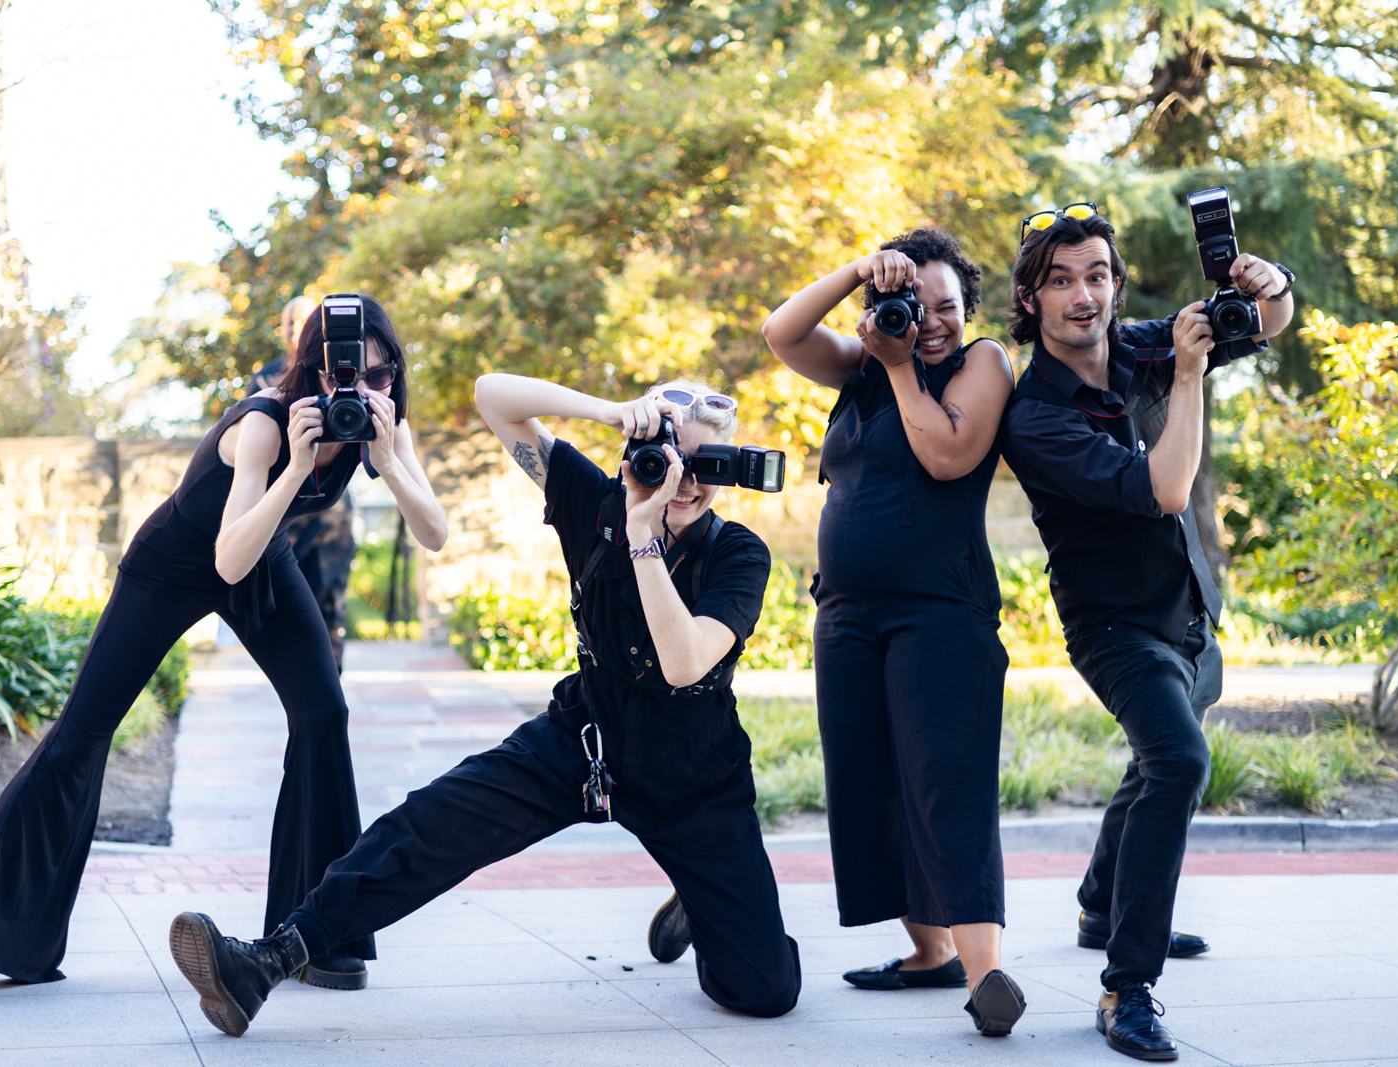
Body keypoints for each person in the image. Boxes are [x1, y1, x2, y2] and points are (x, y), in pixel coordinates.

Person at [164, 374, 802, 1037]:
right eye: (670, 460)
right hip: (584, 744)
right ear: (634, 450)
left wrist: (644, 536)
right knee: (426, 826)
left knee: (762, 989)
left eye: (708, 467)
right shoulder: (594, 500)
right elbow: (493, 394)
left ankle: (701, 901)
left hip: (694, 780)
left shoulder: (737, 554)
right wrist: (612, 412)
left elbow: (683, 662)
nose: (686, 483)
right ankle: (268, 960)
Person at [0, 294, 448, 1010]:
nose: (361, 391)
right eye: (343, 375)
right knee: (81, 735)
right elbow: (225, 557)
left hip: (266, 559)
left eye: (379, 377)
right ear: (311, 373)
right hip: (178, 561)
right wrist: (296, 464)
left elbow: (434, 532)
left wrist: (387, 455)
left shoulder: (385, 419)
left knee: (324, 713)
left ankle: (320, 931)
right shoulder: (263, 424)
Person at [1000, 204, 1294, 1060]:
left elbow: (1261, 324)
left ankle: (1100, 902)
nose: (1083, 295)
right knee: (1180, 760)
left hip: (1189, 613)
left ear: (1116, 283)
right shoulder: (1036, 417)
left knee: (1158, 753)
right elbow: (1166, 490)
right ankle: (1128, 984)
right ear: (1031, 298)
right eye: (1060, 280)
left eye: (1096, 274)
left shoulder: (1138, 345)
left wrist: (1265, 288)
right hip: (1115, 627)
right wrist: (1193, 378)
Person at [762, 228, 1025, 1036]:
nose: (933, 319)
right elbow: (781, 332)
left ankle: (986, 977)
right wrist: (856, 272)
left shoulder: (980, 364)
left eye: (948, 305)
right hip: (845, 611)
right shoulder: (861, 366)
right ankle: (928, 953)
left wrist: (906, 361)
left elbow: (948, 454)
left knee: (946, 783)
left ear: (965, 308)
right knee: (870, 785)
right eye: (917, 303)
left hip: (939, 611)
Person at [251, 295, 357, 672]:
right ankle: (292, 674)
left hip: (331, 510)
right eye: (290, 323)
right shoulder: (264, 379)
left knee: (330, 593)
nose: (297, 329)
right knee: (283, 595)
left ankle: (331, 673)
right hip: (285, 505)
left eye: (305, 321)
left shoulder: (343, 371)